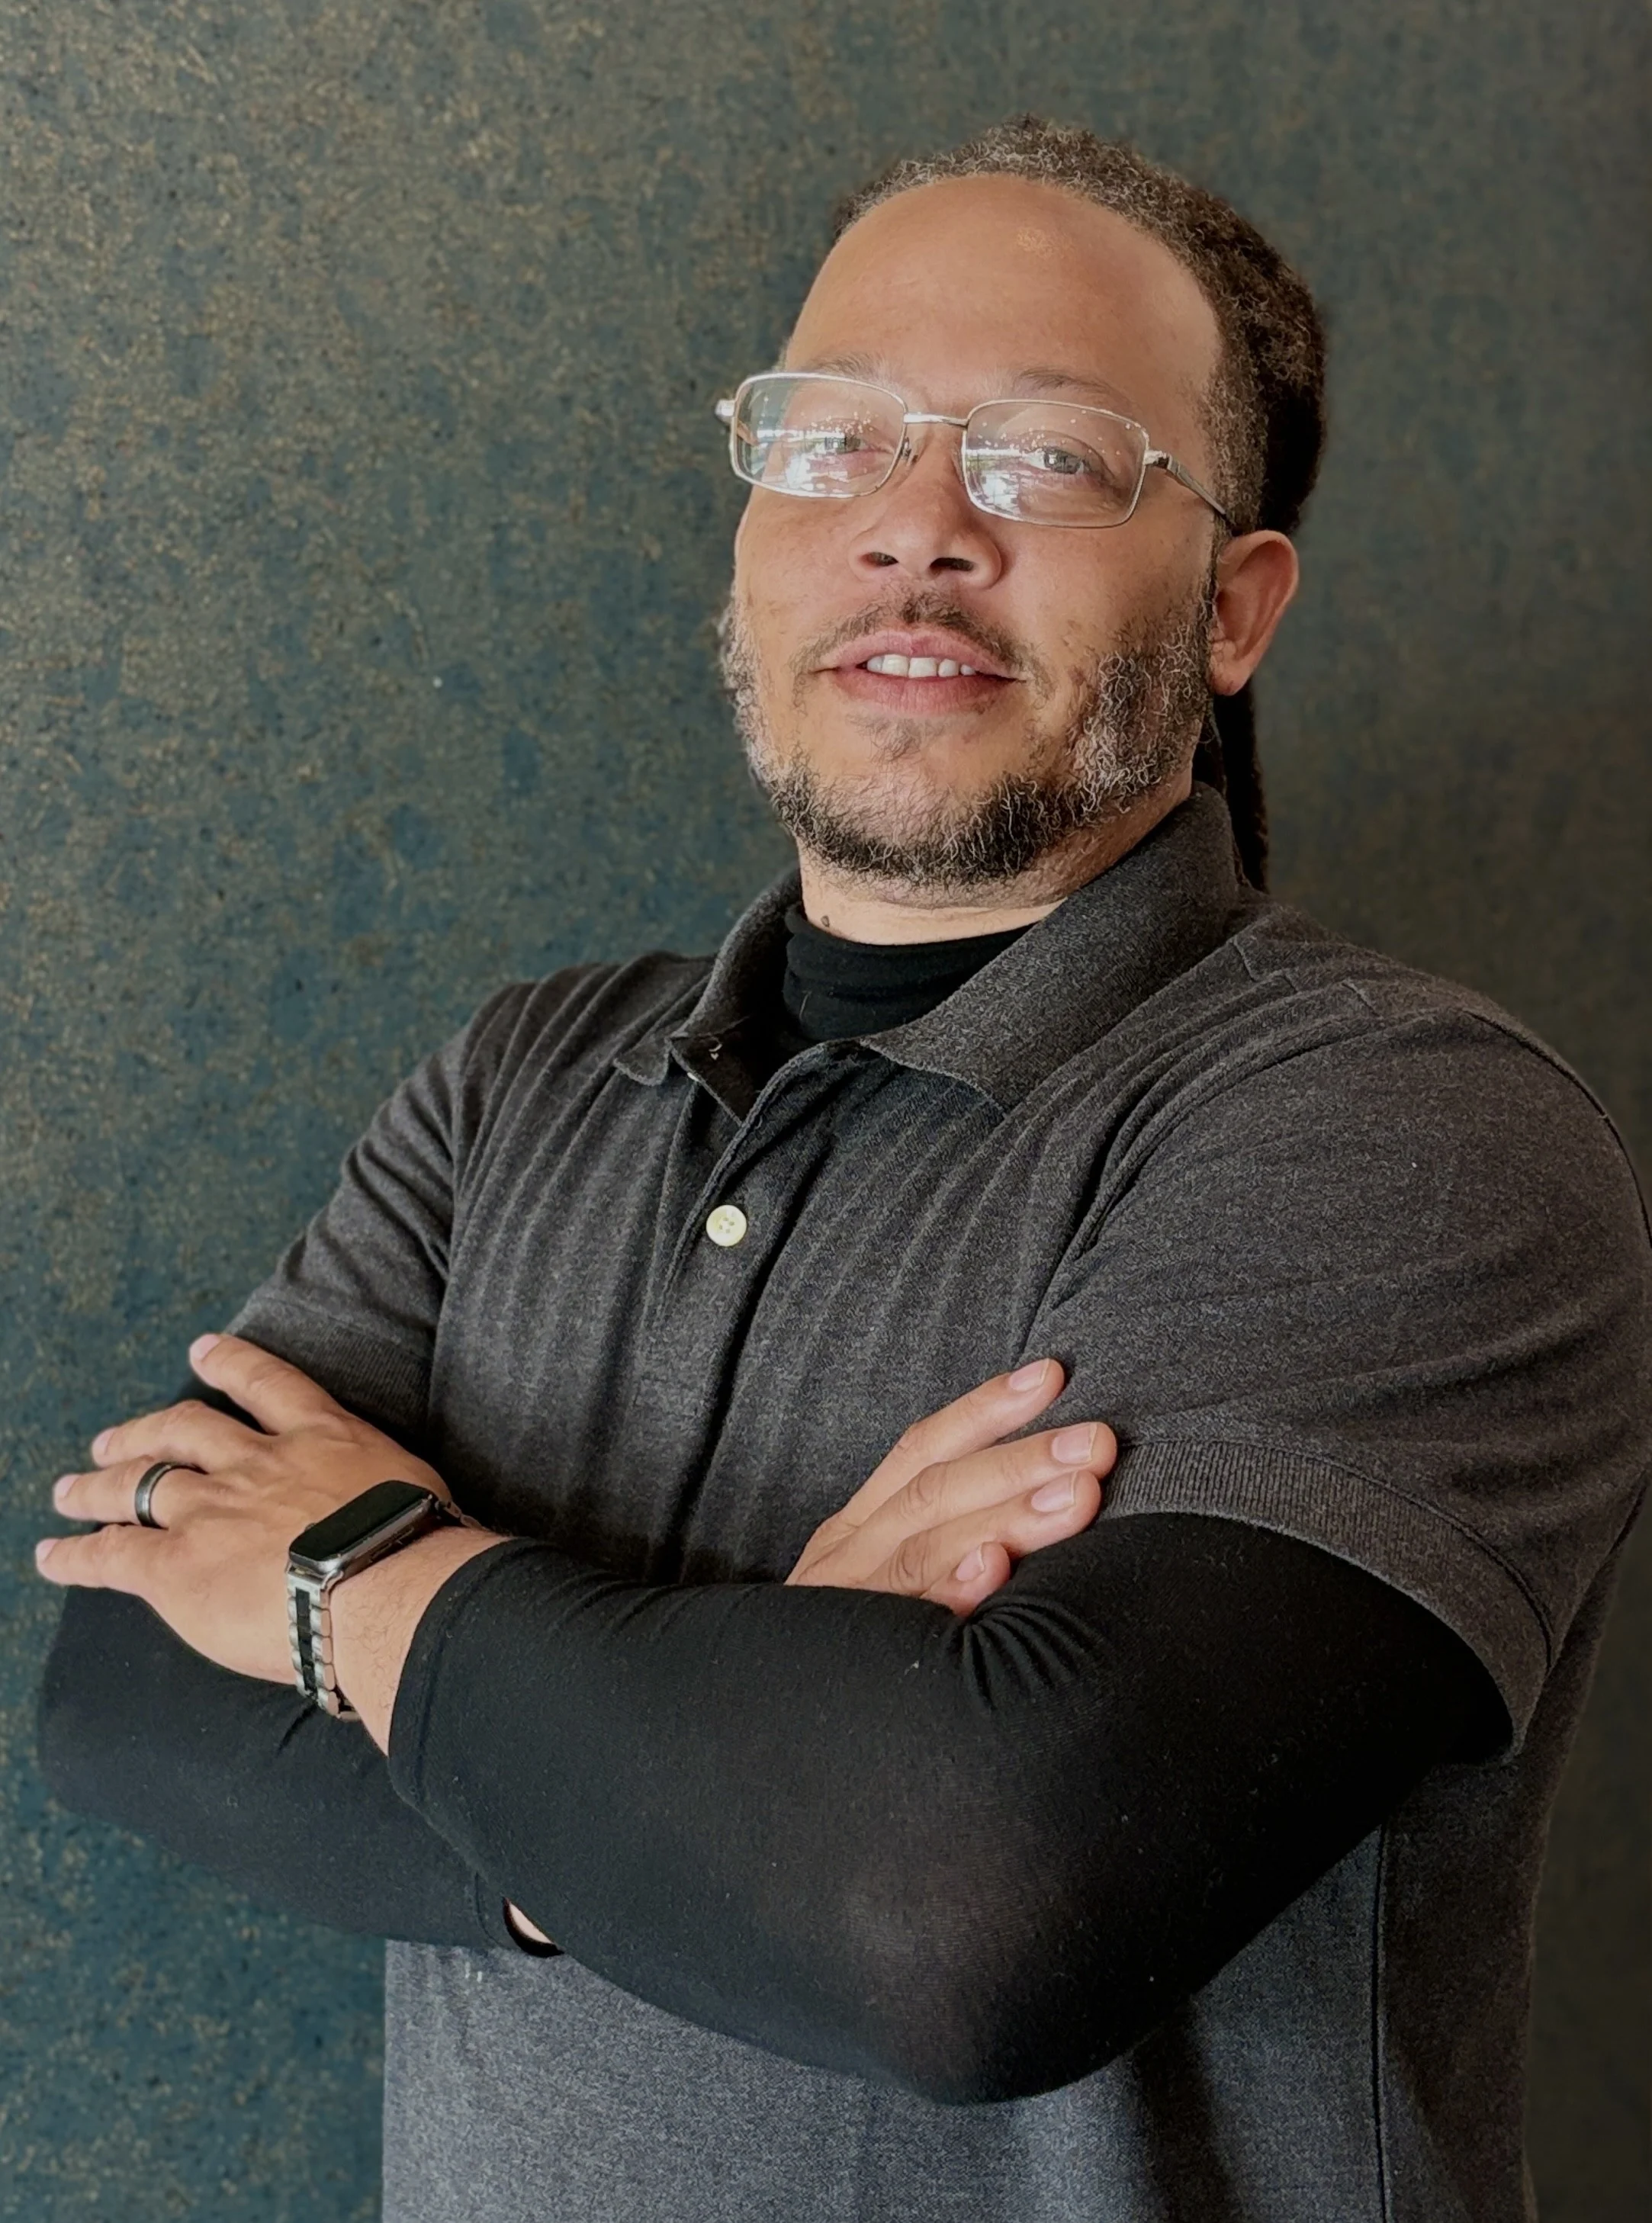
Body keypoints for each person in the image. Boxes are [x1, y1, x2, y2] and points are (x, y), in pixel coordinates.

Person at [36, 117, 1650, 2223]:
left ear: (1235, 605)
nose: (913, 529)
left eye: (1049, 458)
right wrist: (738, 1737)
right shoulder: (516, 1078)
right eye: (828, 440)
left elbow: (947, 1916)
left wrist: (357, 1592)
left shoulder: (1400, 1129)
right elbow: (124, 1688)